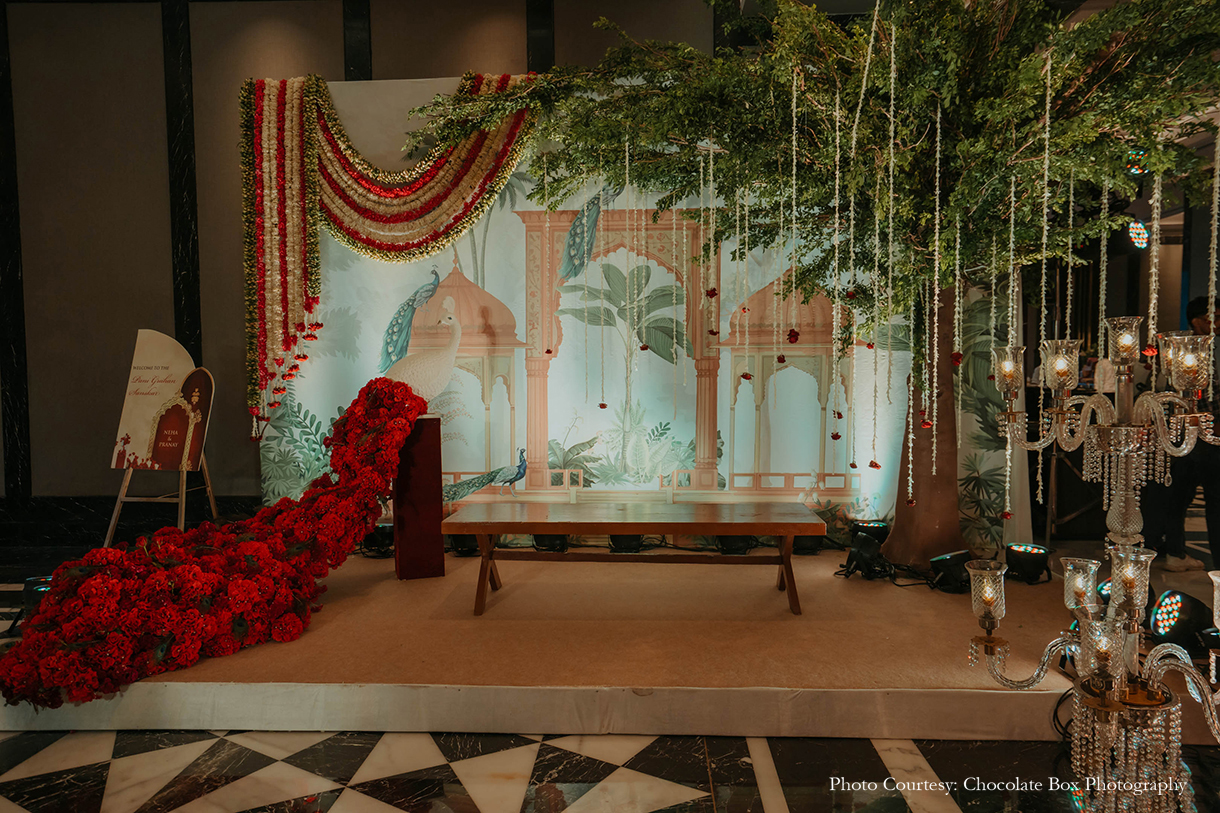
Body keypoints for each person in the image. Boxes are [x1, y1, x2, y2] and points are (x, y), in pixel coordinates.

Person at [1161, 296, 1220, 571]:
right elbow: (1201, 396)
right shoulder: (1193, 350)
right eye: (1214, 318)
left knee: (1180, 495)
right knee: (1211, 499)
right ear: (1198, 321)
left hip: (1187, 433)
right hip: (1201, 433)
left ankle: (1176, 552)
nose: (1218, 323)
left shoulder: (1188, 348)